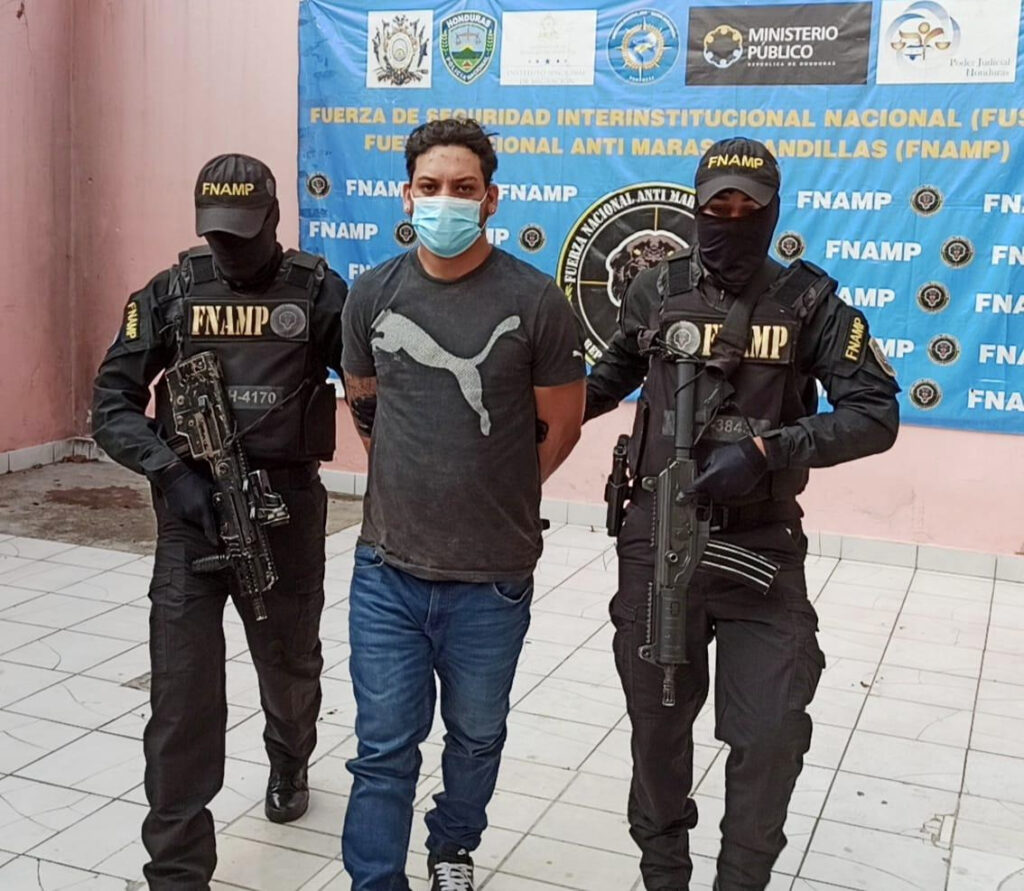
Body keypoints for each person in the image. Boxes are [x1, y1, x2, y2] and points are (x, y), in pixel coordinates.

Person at [585, 137, 900, 890]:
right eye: (716, 207)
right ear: (696, 210)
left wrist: (769, 449)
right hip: (658, 537)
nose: (730, 219)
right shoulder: (653, 291)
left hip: (760, 544)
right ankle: (664, 872)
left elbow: (875, 413)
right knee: (658, 729)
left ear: (772, 212)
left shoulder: (809, 304)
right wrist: (518, 427)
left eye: (746, 208)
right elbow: (603, 381)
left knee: (771, 734)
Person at [339, 118, 586, 891]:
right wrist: (418, 478)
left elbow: (562, 425)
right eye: (431, 186)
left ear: (490, 199)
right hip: (387, 571)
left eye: (463, 187)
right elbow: (367, 409)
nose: (445, 200)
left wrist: (489, 484)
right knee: (384, 747)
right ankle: (375, 880)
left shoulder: (535, 300)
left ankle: (452, 847)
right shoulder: (371, 294)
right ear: (407, 194)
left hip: (492, 575)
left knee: (476, 736)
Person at [91, 153, 347, 889]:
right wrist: (170, 472)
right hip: (191, 518)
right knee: (181, 698)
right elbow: (110, 403)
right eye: (217, 234)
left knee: (288, 667)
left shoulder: (318, 292)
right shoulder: (170, 293)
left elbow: (371, 385)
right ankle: (176, 873)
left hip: (285, 512)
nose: (229, 247)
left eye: (243, 231)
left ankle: (290, 757)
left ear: (274, 219)